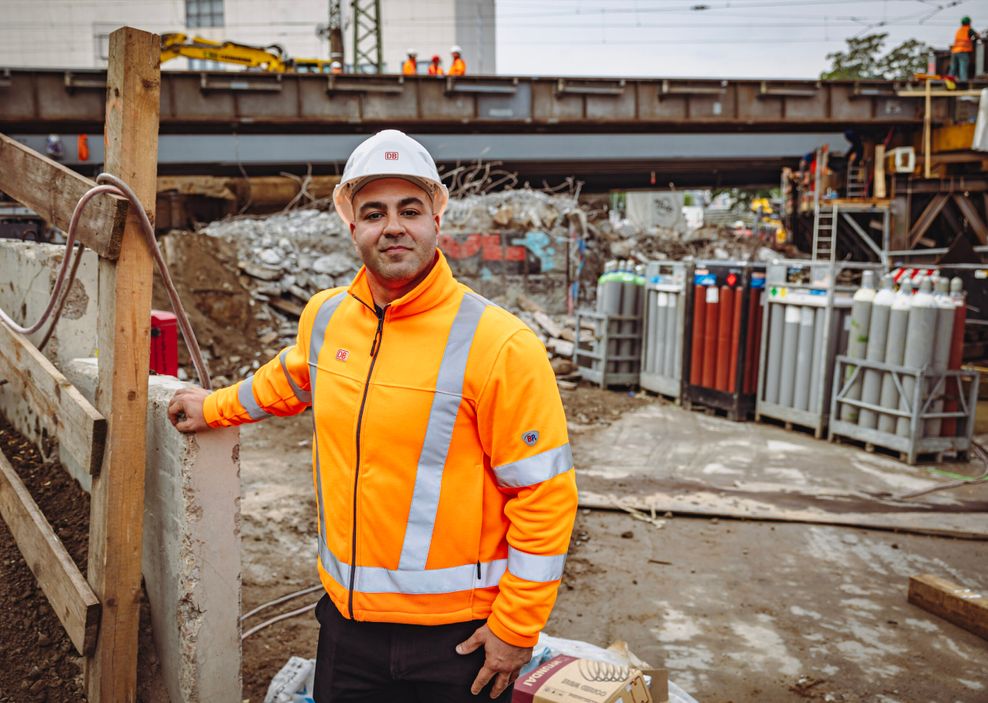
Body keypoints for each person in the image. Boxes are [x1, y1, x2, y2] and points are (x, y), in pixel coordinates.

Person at [168, 129, 578, 702]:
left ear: (437, 220)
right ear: (352, 225)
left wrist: (514, 628)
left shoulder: (501, 344)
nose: (393, 226)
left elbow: (544, 495)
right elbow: (288, 378)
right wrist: (212, 408)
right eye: (374, 212)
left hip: (457, 642)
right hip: (347, 626)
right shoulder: (328, 318)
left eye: (410, 209)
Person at [949, 16, 976, 82]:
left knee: (953, 68)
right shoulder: (968, 29)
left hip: (954, 51)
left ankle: (949, 81)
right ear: (969, 23)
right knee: (963, 67)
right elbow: (977, 36)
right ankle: (963, 83)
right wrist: (974, 40)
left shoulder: (959, 30)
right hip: (963, 51)